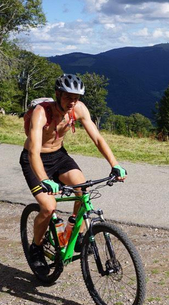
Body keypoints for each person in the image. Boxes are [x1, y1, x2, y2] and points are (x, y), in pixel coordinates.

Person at [19, 73, 126, 272]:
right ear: (58, 94)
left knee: (83, 190)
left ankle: (74, 233)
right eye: (68, 97)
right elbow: (33, 151)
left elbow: (98, 139)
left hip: (59, 156)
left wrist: (115, 164)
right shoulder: (42, 113)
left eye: (76, 98)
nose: (72, 102)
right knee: (48, 207)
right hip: (34, 159)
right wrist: (44, 179)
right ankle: (36, 247)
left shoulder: (78, 109)